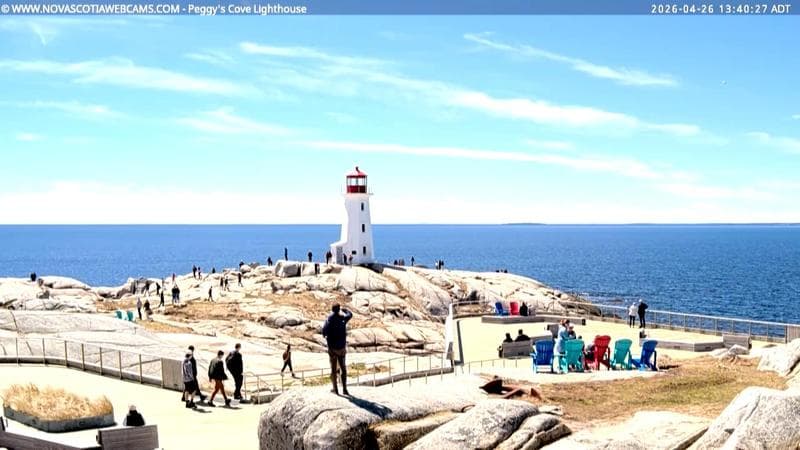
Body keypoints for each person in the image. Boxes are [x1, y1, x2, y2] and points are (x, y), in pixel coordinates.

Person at [321, 304, 352, 395]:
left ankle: (335, 389)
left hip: (333, 349)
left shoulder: (329, 320)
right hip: (342, 348)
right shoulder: (342, 319)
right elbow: (350, 315)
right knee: (343, 368)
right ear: (338, 310)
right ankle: (345, 389)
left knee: (333, 369)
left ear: (332, 309)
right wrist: (345, 310)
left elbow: (323, 332)